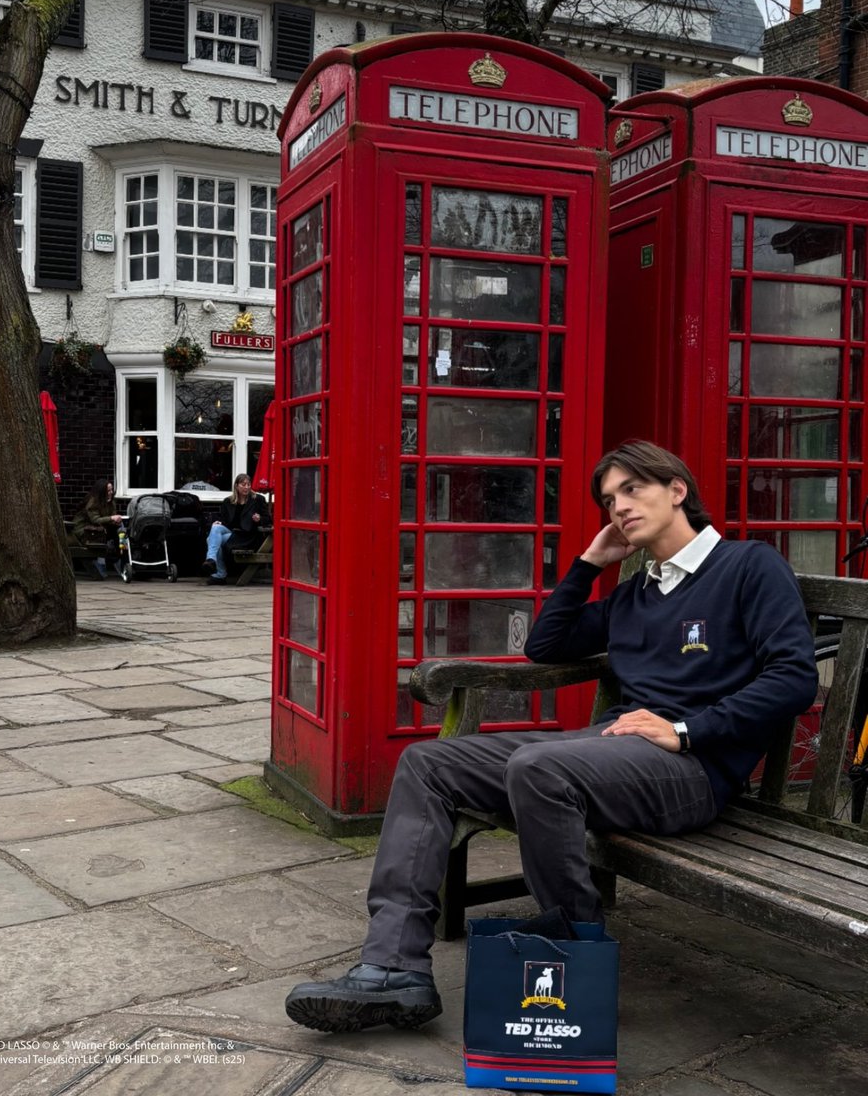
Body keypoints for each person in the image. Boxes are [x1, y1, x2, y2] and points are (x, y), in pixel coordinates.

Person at [284, 440, 818, 1033]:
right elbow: (544, 644)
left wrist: (688, 730)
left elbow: (794, 678)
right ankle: (393, 968)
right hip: (612, 749)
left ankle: (577, 954)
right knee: (427, 763)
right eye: (609, 500)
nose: (619, 507)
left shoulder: (748, 566)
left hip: (694, 769)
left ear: (677, 490)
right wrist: (590, 563)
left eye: (632, 489)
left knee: (538, 768)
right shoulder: (637, 593)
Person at [201, 473, 272, 585]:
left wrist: (259, 519)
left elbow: (268, 519)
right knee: (216, 527)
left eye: (248, 484)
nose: (246, 487)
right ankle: (212, 562)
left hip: (247, 536)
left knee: (211, 540)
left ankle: (218, 572)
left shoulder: (258, 499)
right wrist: (219, 522)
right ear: (236, 486)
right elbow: (224, 520)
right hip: (232, 533)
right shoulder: (228, 501)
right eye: (243, 485)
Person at [69, 479, 124, 578]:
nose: (111, 492)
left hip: (99, 529)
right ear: (102, 492)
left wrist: (115, 520)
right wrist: (111, 518)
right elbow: (95, 519)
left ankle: (119, 559)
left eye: (111, 490)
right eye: (108, 490)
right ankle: (105, 562)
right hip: (85, 529)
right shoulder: (93, 502)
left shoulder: (111, 502)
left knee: (119, 532)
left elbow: (110, 516)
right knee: (103, 535)